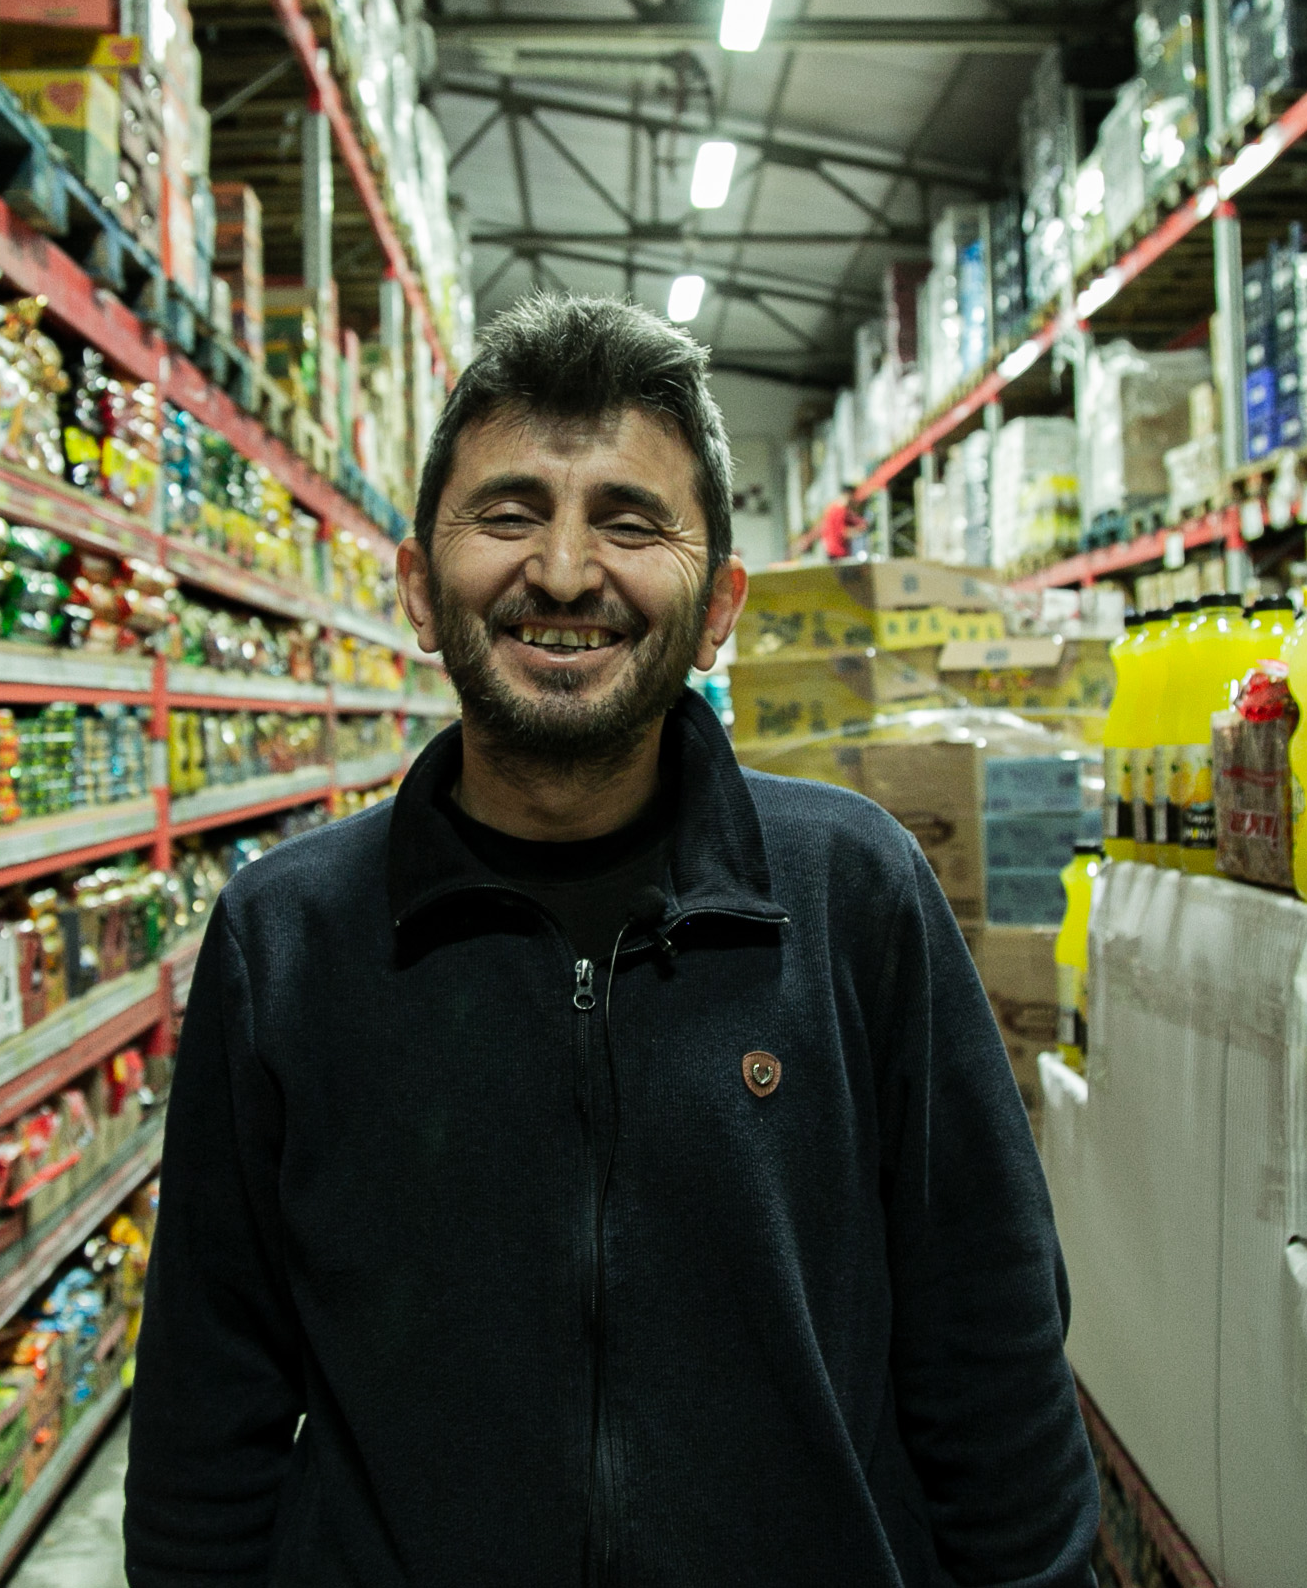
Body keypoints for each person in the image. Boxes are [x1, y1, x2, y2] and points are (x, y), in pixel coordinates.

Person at [124, 293, 1097, 1586]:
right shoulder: (287, 940)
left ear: (720, 606)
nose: (568, 571)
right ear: (417, 588)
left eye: (632, 523)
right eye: (509, 513)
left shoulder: (854, 897)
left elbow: (993, 1363)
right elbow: (205, 1425)